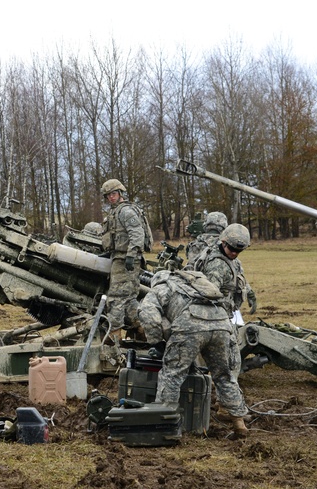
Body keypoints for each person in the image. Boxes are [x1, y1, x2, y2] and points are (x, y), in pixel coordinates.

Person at [138, 269, 250, 437]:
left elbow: (149, 315)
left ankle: (165, 424)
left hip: (190, 327)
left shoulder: (162, 287)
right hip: (221, 325)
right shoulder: (196, 284)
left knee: (172, 375)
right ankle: (239, 423)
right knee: (224, 376)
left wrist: (156, 342)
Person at [100, 179, 145, 339]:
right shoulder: (114, 212)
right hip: (118, 259)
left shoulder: (126, 212)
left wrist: (131, 256)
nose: (111, 198)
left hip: (125, 261)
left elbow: (137, 234)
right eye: (108, 195)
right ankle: (146, 331)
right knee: (130, 301)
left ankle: (114, 340)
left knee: (115, 300)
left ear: (120, 193)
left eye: (113, 194)